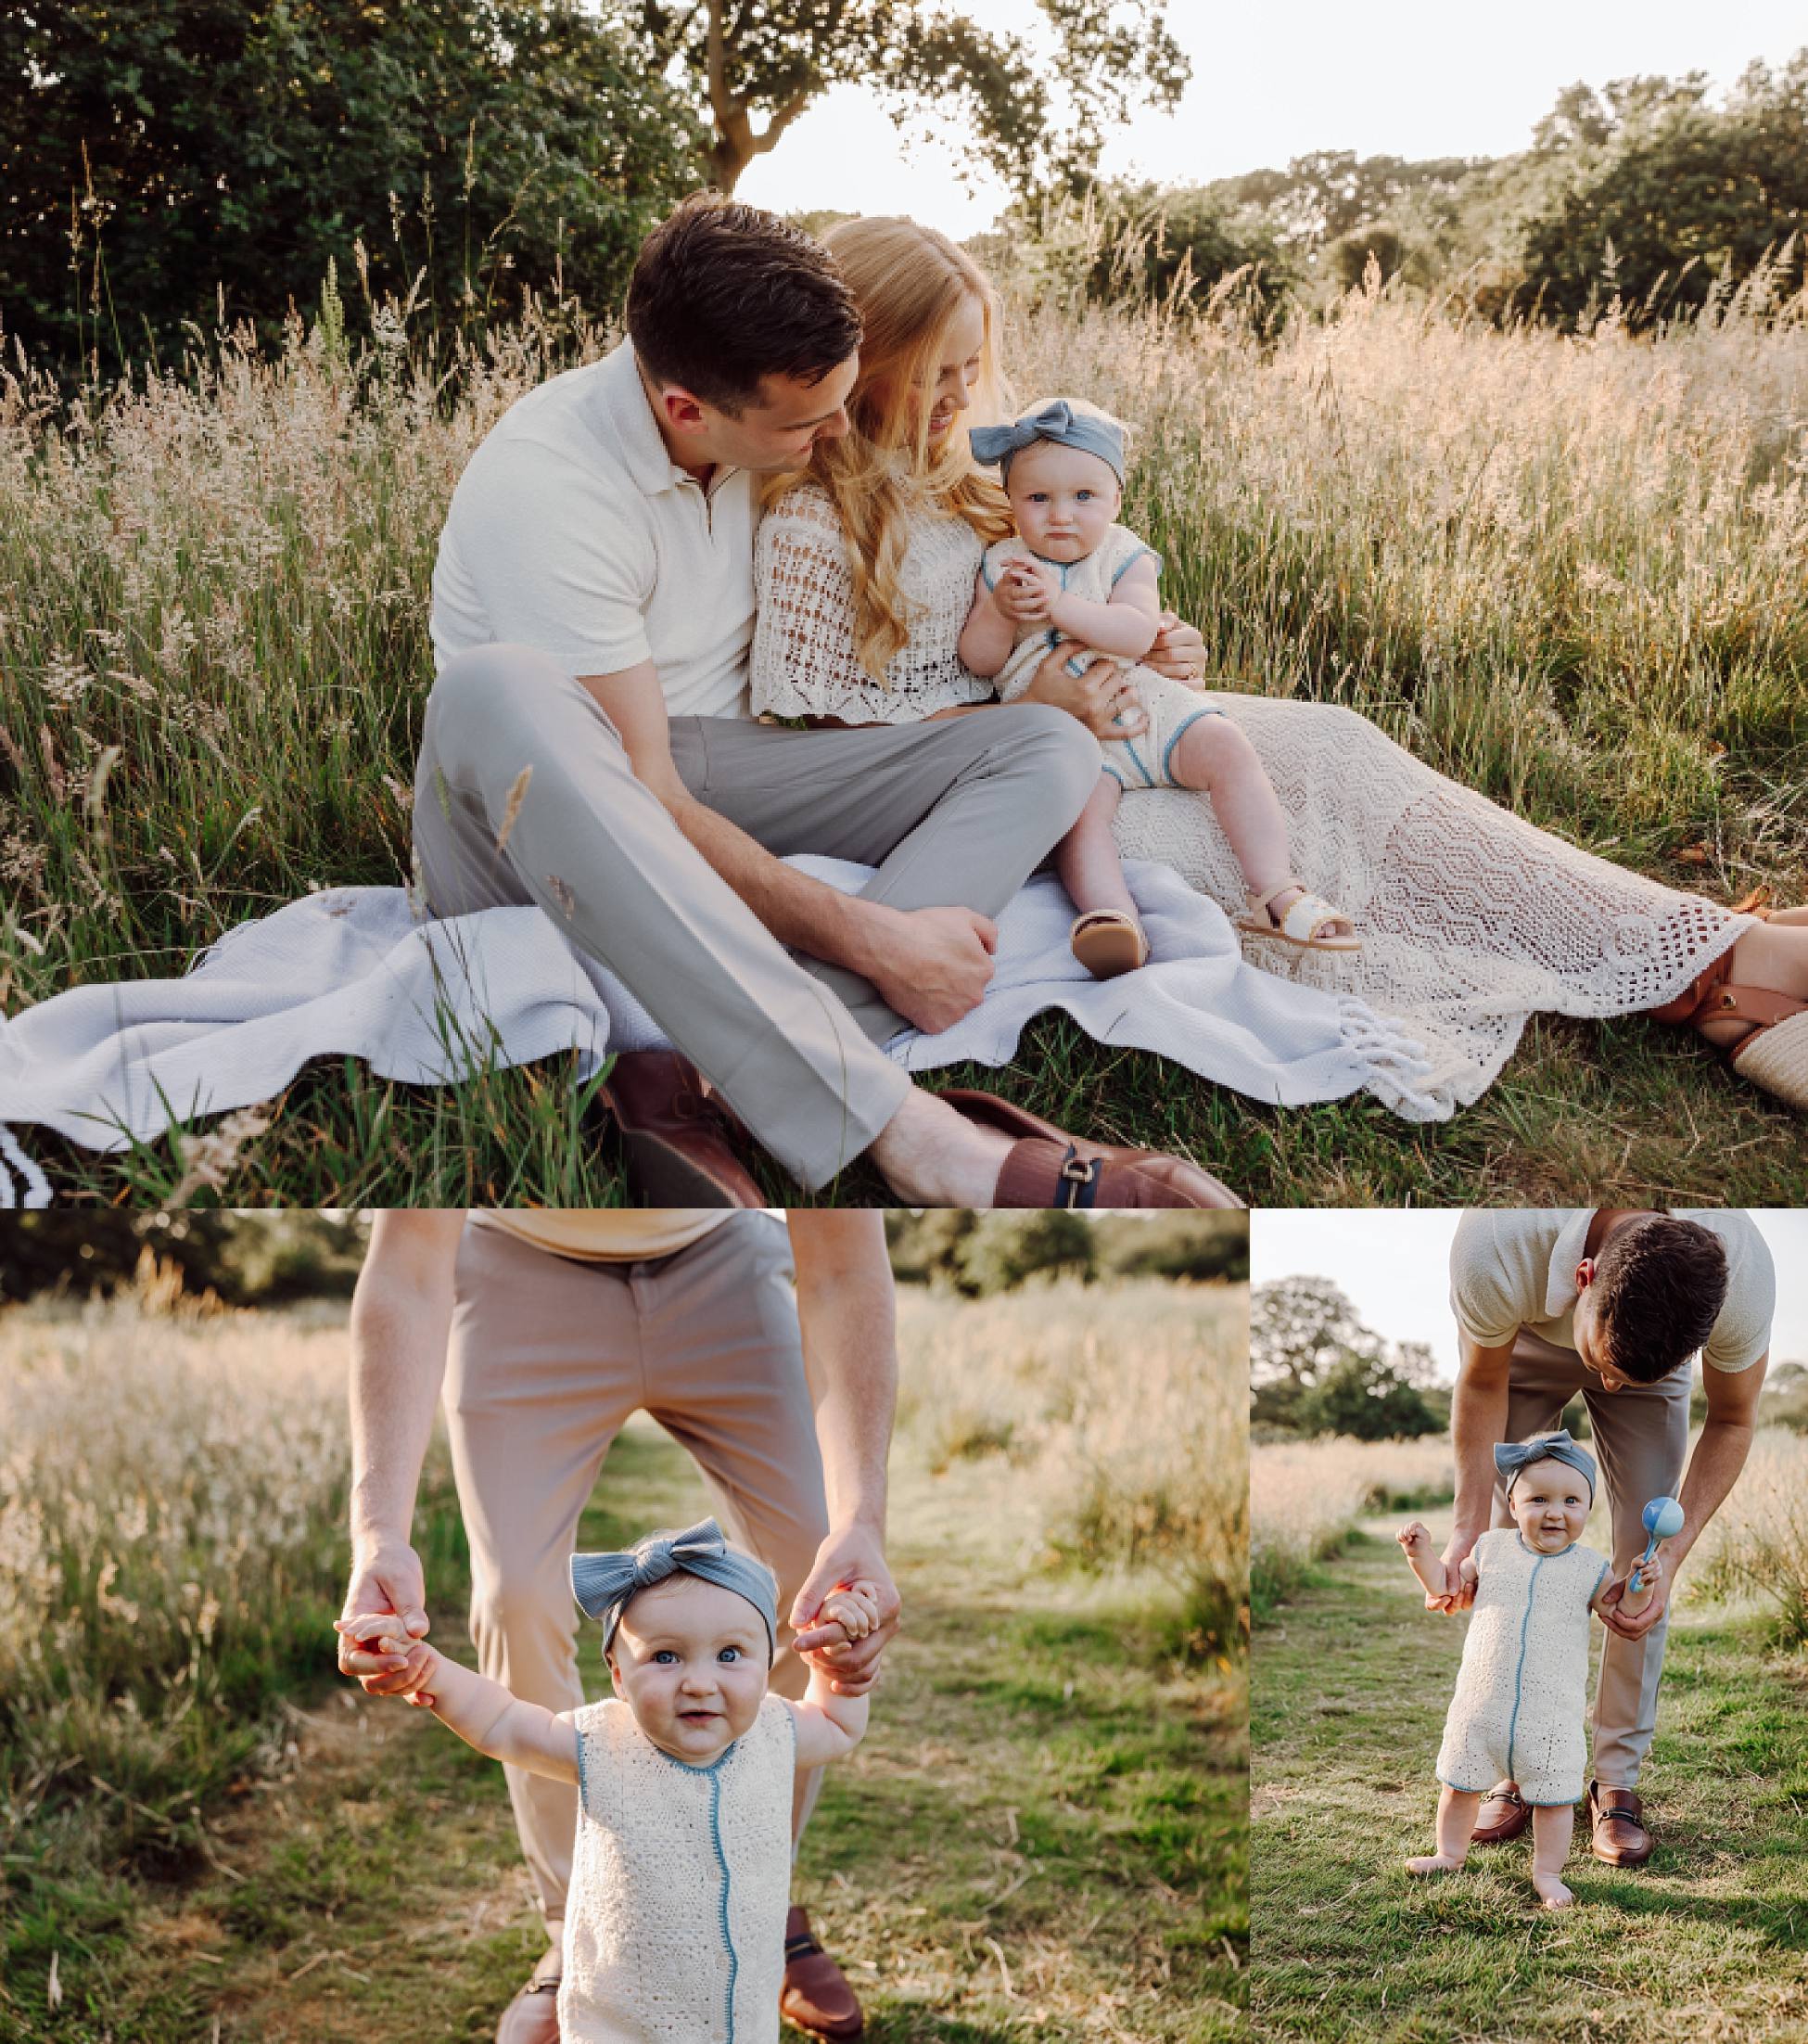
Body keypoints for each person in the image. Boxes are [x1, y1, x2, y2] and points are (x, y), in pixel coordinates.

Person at [748, 212, 1808, 1119]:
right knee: (1247, 821)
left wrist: (1157, 645)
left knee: (1328, 744)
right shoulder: (810, 522)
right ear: (864, 357)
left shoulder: (972, 475)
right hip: (1014, 787)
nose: (961, 393)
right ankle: (1722, 972)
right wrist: (1040, 709)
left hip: (1102, 716)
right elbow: (849, 761)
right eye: (938, 371)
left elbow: (1085, 586)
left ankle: (1694, 945)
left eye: (971, 367)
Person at [420, 189, 1237, 1209]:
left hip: (730, 760)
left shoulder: (754, 419)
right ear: (687, 408)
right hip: (550, 812)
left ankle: (710, 1081)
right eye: (811, 422)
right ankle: (917, 1131)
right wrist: (875, 937)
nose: (838, 433)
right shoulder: (552, 489)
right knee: (497, 686)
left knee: (1044, 750)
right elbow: (648, 793)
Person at [335, 1207, 900, 2044]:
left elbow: (846, 1268)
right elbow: (407, 1268)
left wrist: (863, 1525)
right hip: (521, 1266)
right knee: (515, 1597)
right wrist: (380, 1533)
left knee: (813, 1576)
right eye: (662, 1657)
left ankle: (756, 1900)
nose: (695, 1678)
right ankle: (577, 1928)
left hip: (723, 1252)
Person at [339, 1520, 875, 2044]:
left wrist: (836, 1667)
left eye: (730, 1655)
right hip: (622, 2022)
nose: (699, 1682)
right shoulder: (601, 1742)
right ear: (618, 1674)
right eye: (665, 1656)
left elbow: (838, 1721)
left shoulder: (776, 1732)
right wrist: (427, 1670)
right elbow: (502, 1722)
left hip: (741, 2019)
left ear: (766, 1665)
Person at [957, 395, 1356, 977]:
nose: (1061, 515)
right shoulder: (1002, 565)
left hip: (1147, 706)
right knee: (1079, 819)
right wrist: (998, 610)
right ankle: (1112, 919)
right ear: (1012, 502)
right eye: (1038, 499)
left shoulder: (1124, 555)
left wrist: (1060, 604)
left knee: (1226, 747)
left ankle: (1275, 892)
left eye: (1084, 497)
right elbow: (980, 660)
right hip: (1067, 734)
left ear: (1116, 500)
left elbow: (1137, 630)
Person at [1435, 1208, 1775, 1867]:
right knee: (1514, 1552)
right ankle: (1520, 1767)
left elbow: (1732, 1419)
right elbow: (1479, 1382)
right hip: (1527, 1340)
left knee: (1642, 1571)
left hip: (1649, 1358)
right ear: (1581, 1276)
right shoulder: (1498, 1243)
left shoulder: (1742, 1277)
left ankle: (1615, 1782)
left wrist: (1673, 1556)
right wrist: (1464, 1532)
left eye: (1623, 1380)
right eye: (1608, 1371)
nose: (1609, 1388)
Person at [1397, 1433, 1660, 1909]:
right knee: (1459, 1785)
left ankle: (1547, 1874)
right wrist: (1421, 1557)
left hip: (1550, 1714)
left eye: (1571, 1500)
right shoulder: (1491, 1548)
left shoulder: (1590, 1568)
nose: (1555, 1512)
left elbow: (1618, 1609)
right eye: (1538, 1499)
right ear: (1514, 1504)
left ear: (1587, 1509)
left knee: (1555, 1797)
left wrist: (1639, 1585)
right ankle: (1449, 1853)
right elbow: (1444, 1584)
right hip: (1482, 1703)